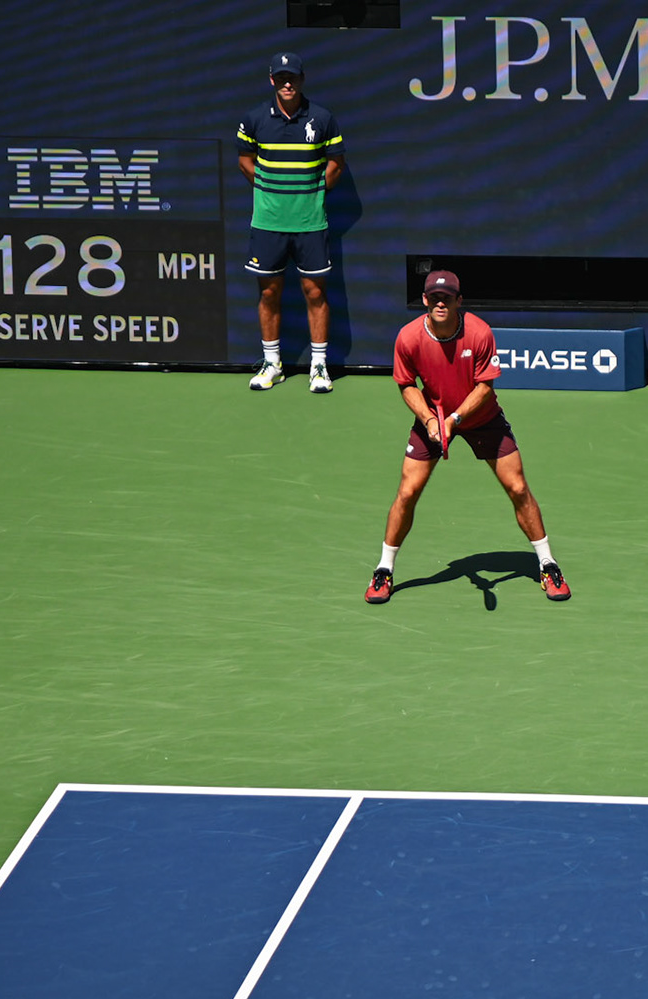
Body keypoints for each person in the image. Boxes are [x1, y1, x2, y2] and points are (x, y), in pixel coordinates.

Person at [367, 269, 571, 604]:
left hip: (481, 418)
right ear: (425, 300)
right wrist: (429, 419)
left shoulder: (479, 333)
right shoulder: (408, 338)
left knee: (518, 488)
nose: (440, 303)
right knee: (407, 491)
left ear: (459, 301)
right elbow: (406, 385)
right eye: (434, 298)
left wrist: (456, 419)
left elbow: (485, 387)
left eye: (447, 298)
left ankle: (547, 564)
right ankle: (384, 570)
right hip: (432, 418)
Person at [236, 51, 345, 393]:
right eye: (281, 78)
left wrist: (312, 192)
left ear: (301, 80)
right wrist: (269, 188)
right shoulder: (255, 119)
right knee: (269, 292)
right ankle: (273, 364)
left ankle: (318, 366)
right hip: (268, 222)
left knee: (315, 292)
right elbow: (245, 160)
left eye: (292, 78)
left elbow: (336, 164)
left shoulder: (322, 118)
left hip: (310, 223)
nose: (287, 84)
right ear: (272, 80)